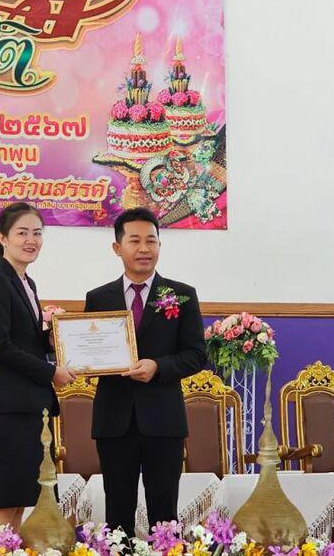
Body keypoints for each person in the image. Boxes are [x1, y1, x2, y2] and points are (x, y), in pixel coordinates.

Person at [84, 207, 207, 536]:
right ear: (117, 247)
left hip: (163, 420)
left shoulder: (182, 295)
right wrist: (81, 362)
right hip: (114, 421)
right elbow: (89, 352)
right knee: (117, 514)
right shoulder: (98, 298)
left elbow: (196, 355)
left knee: (164, 513)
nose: (144, 248)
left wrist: (158, 367)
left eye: (151, 241)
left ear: (159, 245)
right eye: (134, 240)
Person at [0, 202, 77, 531]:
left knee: (21, 500)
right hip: (8, 410)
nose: (31, 240)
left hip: (31, 408)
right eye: (22, 233)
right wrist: (51, 372)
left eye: (37, 233)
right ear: (3, 238)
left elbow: (25, 341)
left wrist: (55, 340)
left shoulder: (26, 283)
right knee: (4, 502)